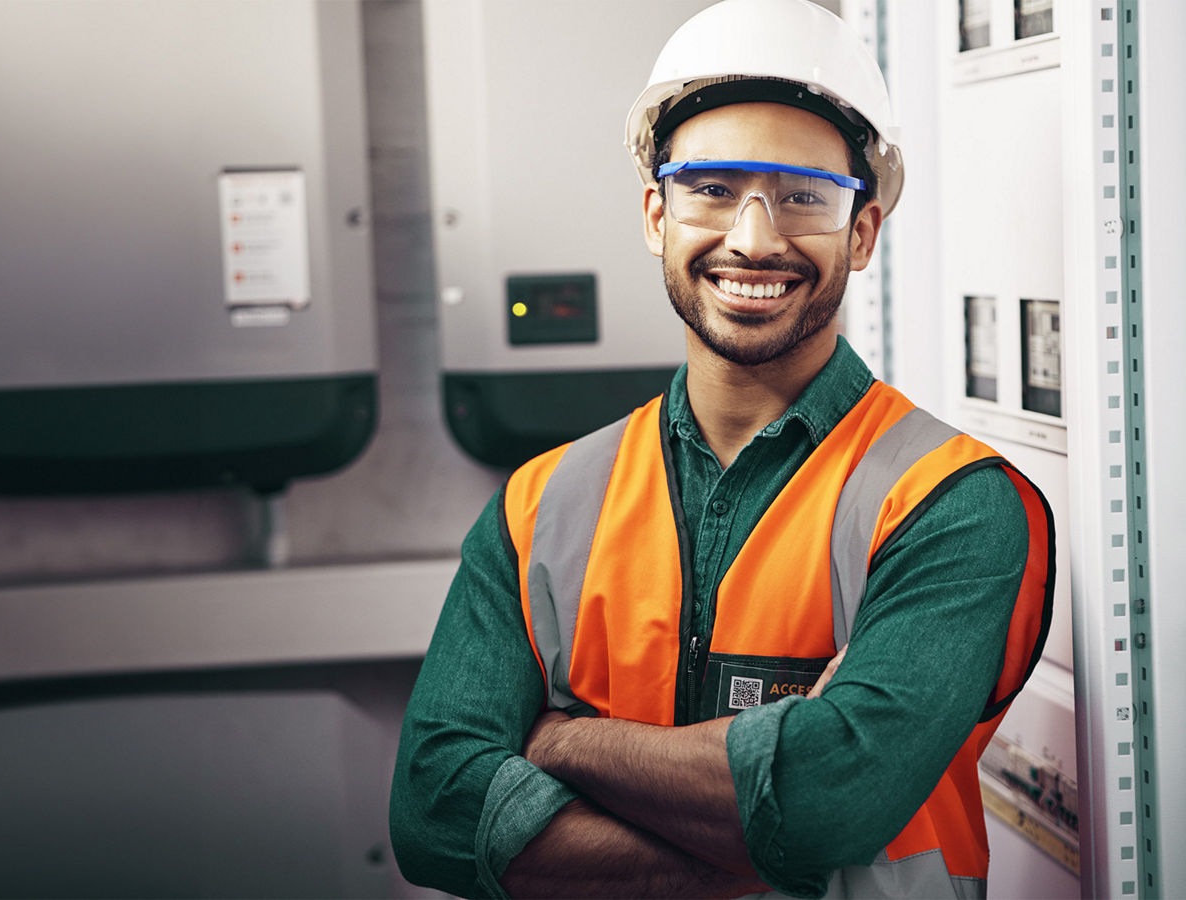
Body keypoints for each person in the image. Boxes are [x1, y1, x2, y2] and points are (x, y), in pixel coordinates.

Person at [390, 0, 1054, 897]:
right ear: (657, 214)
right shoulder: (539, 505)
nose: (754, 237)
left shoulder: (955, 505)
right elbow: (433, 808)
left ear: (860, 234)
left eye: (803, 197)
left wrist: (553, 739)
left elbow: (830, 799)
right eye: (711, 187)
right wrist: (756, 824)